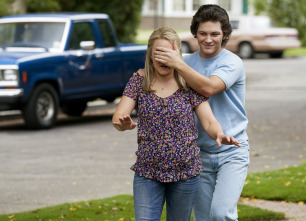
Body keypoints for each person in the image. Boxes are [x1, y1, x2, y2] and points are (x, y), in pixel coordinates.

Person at [112, 27, 240, 221]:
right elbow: (119, 115)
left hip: (185, 173)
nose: (163, 58)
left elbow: (209, 120)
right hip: (148, 171)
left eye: (169, 53)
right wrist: (122, 123)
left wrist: (218, 134)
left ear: (178, 55)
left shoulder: (189, 84)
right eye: (159, 53)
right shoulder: (139, 80)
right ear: (150, 54)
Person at [151, 4, 250, 221]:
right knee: (203, 217)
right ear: (195, 32)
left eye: (215, 34)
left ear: (224, 35)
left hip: (232, 152)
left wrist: (179, 64)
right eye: (203, 33)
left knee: (221, 213)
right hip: (198, 154)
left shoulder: (232, 63)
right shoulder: (186, 62)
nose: (208, 39)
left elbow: (208, 88)